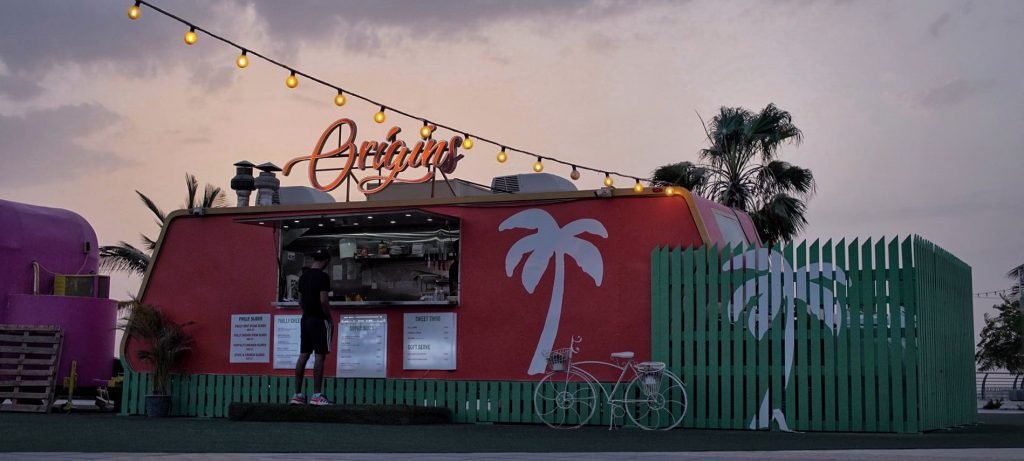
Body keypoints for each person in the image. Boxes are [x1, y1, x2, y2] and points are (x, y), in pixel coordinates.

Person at [291, 249, 334, 406]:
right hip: (318, 319)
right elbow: (323, 300)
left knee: (303, 355)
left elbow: (300, 301)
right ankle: (316, 396)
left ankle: (297, 395)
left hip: (306, 319)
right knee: (320, 355)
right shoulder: (323, 277)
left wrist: (307, 311)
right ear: (326, 261)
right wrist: (329, 317)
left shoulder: (303, 277)